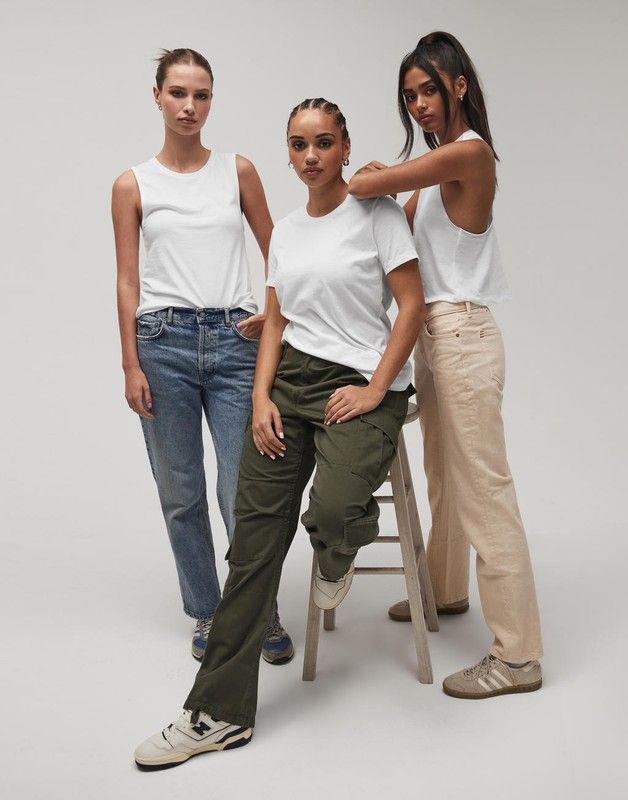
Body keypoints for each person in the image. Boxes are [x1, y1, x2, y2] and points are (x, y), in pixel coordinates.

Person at [133, 97, 426, 769]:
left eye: (324, 142)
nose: (311, 155)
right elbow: (277, 319)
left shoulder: (378, 215)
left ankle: (337, 551)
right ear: (289, 154)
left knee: (334, 509)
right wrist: (261, 396)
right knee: (253, 545)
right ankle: (218, 713)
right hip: (290, 384)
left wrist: (377, 388)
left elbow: (410, 306)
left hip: (361, 384)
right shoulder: (288, 232)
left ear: (345, 146)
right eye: (299, 144)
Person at [348, 31, 543, 699]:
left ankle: (518, 657)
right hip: (433, 338)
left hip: (462, 333)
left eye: (429, 89)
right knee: (443, 476)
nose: (419, 104)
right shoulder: (434, 175)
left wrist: (379, 173)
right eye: (410, 95)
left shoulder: (469, 153)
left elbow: (366, 185)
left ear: (459, 85)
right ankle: (446, 588)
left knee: (484, 490)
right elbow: (391, 230)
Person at [111, 48, 293, 665]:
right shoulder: (133, 184)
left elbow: (280, 253)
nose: (190, 106)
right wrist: (131, 363)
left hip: (235, 343)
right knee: (181, 491)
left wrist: (274, 314)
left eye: (202, 95)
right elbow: (127, 280)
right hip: (161, 343)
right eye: (178, 93)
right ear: (157, 97)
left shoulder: (237, 171)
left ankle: (257, 609)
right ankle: (207, 611)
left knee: (243, 490)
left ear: (212, 100)